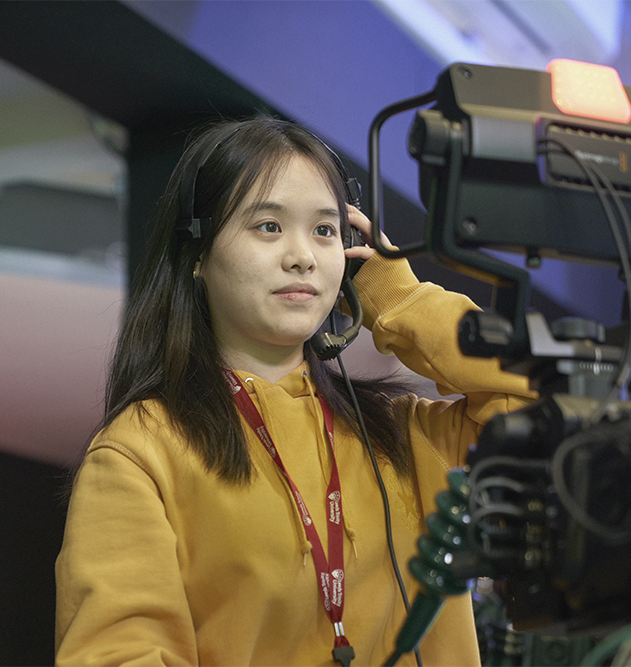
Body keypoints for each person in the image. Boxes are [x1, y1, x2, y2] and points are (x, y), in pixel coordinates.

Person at [54, 117, 534, 666]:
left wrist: (398, 298)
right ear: (195, 256)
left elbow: (540, 404)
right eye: (268, 226)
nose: (302, 255)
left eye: (325, 230)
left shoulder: (403, 434)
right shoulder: (141, 451)